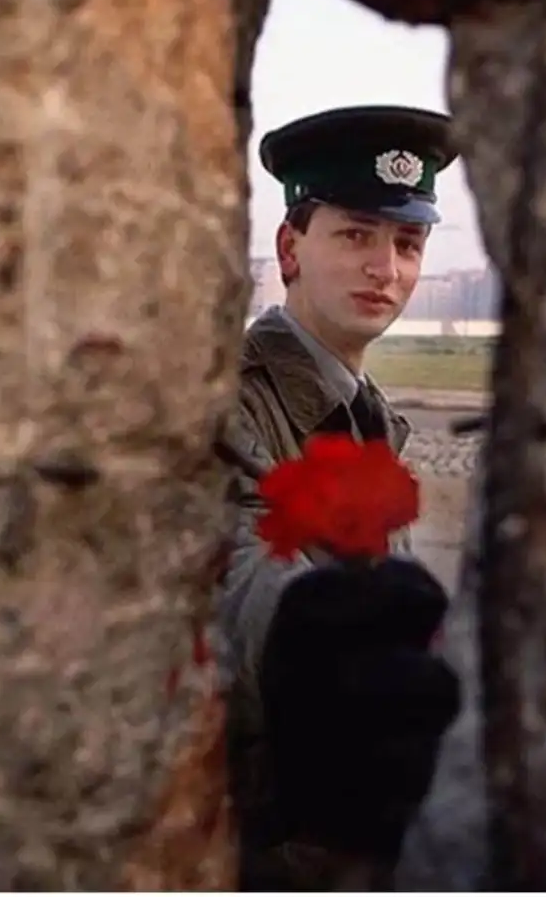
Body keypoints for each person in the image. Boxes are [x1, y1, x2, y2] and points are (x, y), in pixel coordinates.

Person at [216, 105, 463, 889]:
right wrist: (310, 638)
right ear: (291, 247)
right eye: (355, 235)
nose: (385, 269)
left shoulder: (373, 423)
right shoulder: (232, 398)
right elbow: (234, 564)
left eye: (407, 243)